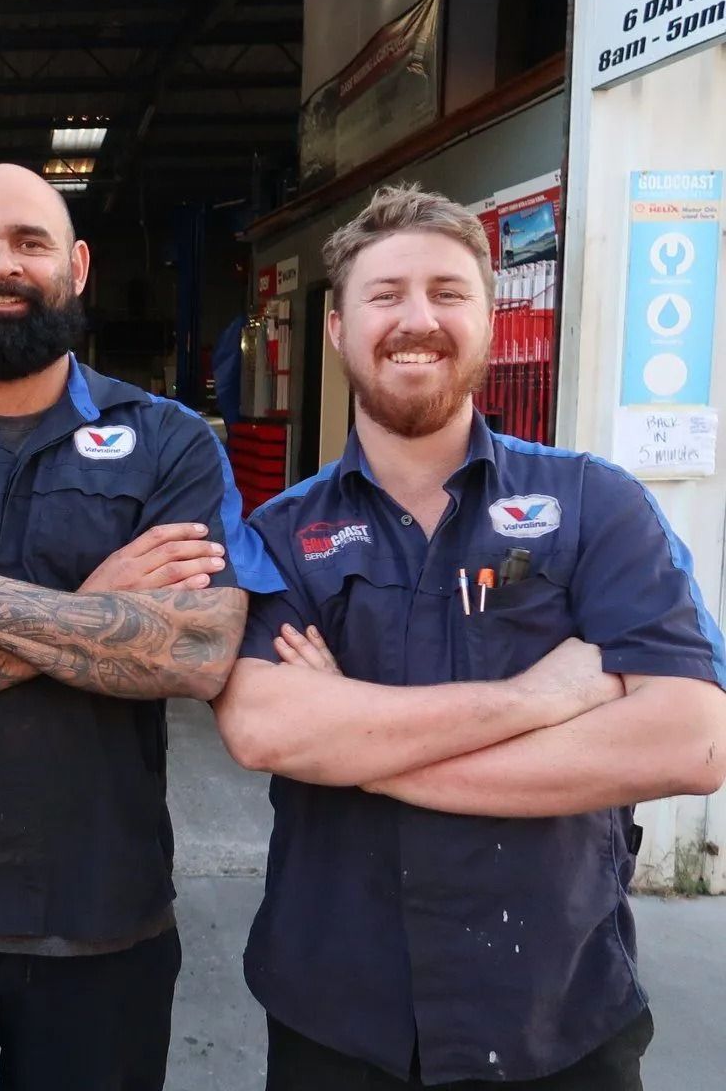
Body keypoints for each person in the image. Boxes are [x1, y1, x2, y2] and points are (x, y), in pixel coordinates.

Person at [213, 183, 726, 1089]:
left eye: (449, 294)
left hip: (555, 1015)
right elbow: (266, 730)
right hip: (341, 1018)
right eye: (386, 295)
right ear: (337, 331)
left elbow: (691, 738)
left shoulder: (593, 506)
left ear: (489, 321)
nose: (419, 319)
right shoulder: (281, 537)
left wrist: (353, 742)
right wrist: (537, 702)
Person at [0, 162, 284, 1091]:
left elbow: (200, 649)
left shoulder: (169, 441)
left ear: (76, 266)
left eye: (30, 242)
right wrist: (99, 615)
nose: (4, 265)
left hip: (103, 919)